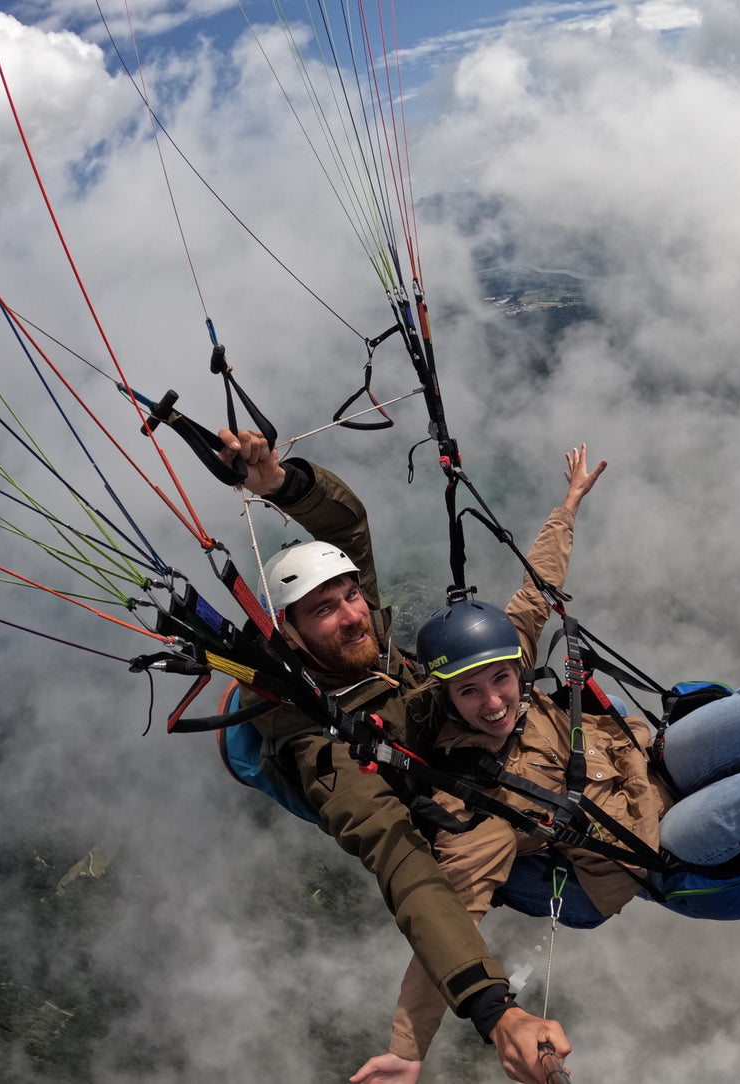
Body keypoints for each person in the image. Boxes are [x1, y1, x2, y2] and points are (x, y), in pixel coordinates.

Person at [351, 446, 740, 1083]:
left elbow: (536, 585)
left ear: (514, 666)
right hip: (658, 842)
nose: (493, 702)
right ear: (447, 695)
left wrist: (569, 503)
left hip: (648, 764)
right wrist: (408, 1049)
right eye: (470, 693)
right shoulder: (477, 804)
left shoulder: (505, 655)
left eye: (501, 681)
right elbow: (445, 925)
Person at [216, 429, 570, 1084]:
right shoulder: (320, 751)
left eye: (350, 595)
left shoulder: (361, 637)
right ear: (288, 634)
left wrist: (275, 482)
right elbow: (404, 867)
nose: (352, 615)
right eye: (324, 609)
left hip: (441, 731)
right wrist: (497, 1012)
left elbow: (345, 523)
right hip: (446, 807)